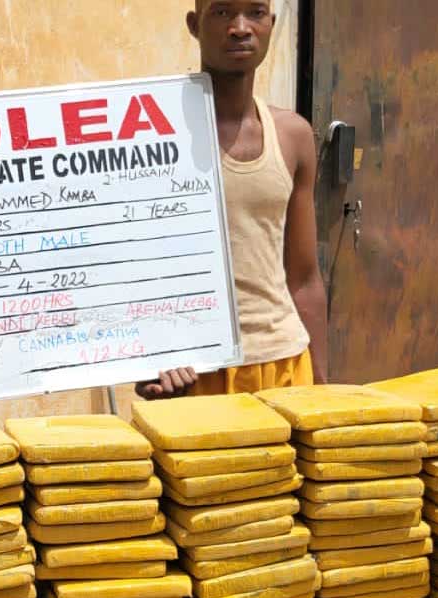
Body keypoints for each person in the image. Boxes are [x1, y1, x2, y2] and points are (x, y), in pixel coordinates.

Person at [137, 0, 328, 400]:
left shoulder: (293, 136)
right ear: (194, 25)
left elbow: (305, 279)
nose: (240, 28)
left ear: (271, 24)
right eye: (222, 12)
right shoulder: (148, 135)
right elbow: (124, 265)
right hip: (196, 369)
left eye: (255, 12)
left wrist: (325, 388)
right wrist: (145, 357)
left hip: (285, 362)